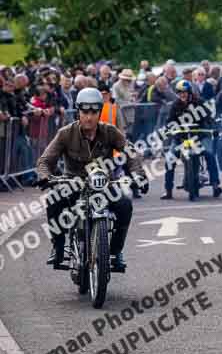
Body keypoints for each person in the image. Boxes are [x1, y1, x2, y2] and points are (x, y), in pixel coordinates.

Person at [36, 88, 149, 271]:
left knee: (125, 204)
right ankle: (57, 247)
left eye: (94, 112)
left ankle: (115, 251)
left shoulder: (110, 132)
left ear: (99, 112)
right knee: (53, 200)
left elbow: (131, 153)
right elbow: (45, 160)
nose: (89, 117)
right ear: (78, 111)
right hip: (73, 183)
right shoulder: (65, 133)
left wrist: (138, 175)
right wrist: (45, 177)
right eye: (85, 112)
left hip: (104, 184)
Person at [161, 80, 222, 200]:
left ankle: (215, 185)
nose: (182, 94)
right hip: (182, 138)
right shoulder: (175, 105)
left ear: (189, 92)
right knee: (169, 159)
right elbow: (169, 121)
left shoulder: (199, 103)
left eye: (184, 92)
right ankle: (168, 190)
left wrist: (213, 128)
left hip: (200, 137)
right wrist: (167, 129)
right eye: (180, 92)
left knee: (209, 154)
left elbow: (210, 118)